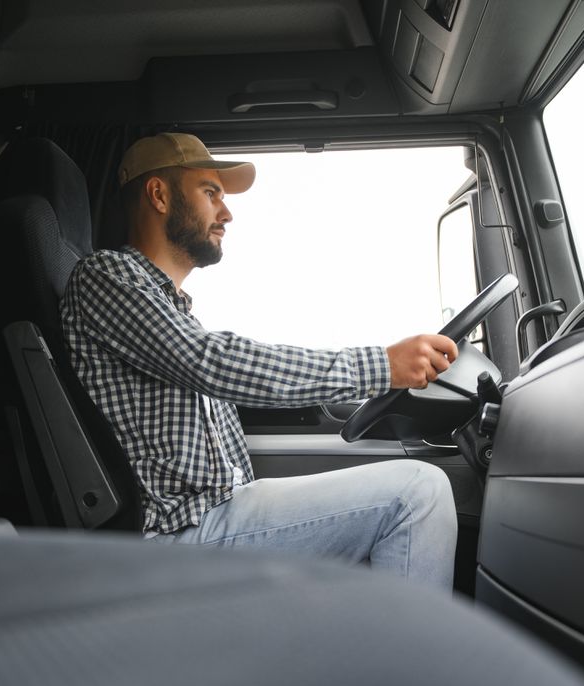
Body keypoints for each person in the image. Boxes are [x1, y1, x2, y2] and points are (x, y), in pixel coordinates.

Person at [60, 132, 460, 589]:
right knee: (417, 493)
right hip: (175, 534)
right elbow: (213, 362)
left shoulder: (172, 307)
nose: (226, 214)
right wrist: (378, 366)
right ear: (158, 195)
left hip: (217, 512)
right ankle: (420, 659)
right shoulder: (106, 276)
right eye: (211, 193)